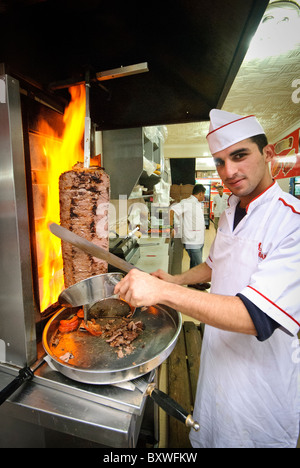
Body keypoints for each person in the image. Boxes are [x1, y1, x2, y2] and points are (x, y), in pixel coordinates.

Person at [115, 109, 300, 448]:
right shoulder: (232, 210)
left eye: (240, 156)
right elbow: (216, 265)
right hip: (216, 369)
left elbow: (252, 316)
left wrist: (162, 293)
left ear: (268, 154)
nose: (229, 171)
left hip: (260, 391)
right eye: (219, 162)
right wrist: (175, 279)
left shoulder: (292, 223)